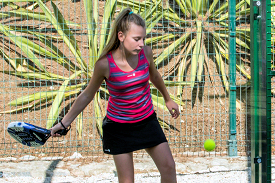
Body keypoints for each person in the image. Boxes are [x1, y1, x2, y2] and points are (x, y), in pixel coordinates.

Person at [50, 8, 180, 183]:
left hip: (146, 121)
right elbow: (87, 95)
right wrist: (64, 123)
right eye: (136, 39)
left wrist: (167, 98)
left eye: (143, 38)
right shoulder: (105, 64)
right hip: (119, 128)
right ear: (121, 36)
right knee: (126, 181)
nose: (141, 44)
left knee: (169, 168)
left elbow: (154, 76)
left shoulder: (146, 53)